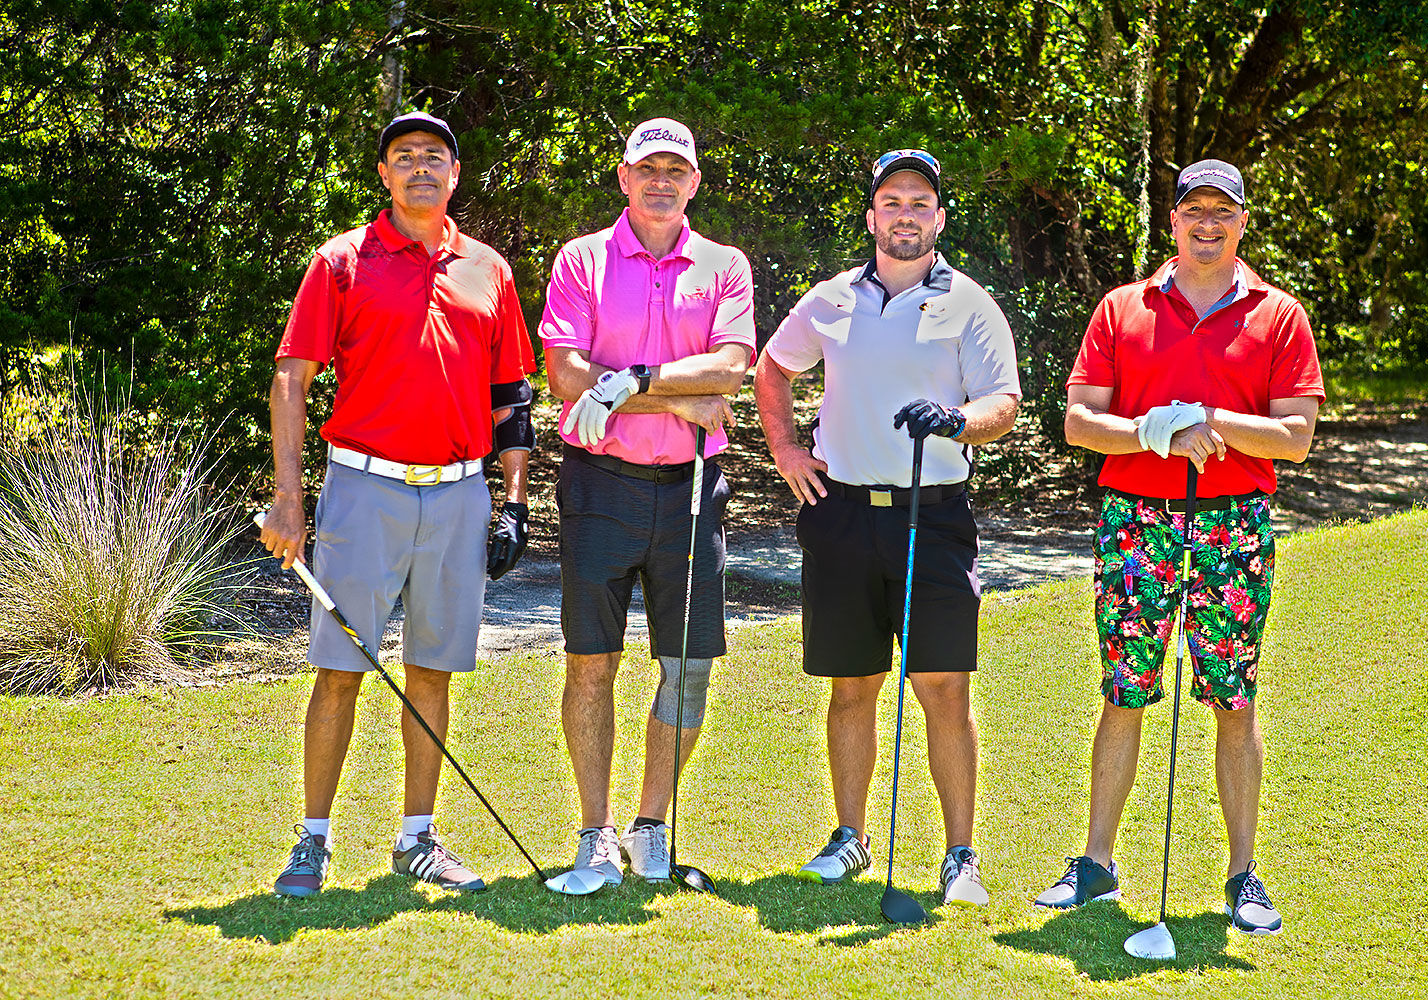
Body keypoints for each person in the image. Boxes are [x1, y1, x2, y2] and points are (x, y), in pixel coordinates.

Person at [1034, 159, 1323, 935]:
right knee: (1124, 689)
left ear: (1243, 222)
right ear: (1173, 221)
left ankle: (1242, 875)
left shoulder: (1279, 315)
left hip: (1233, 522)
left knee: (1233, 697)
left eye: (1222, 212)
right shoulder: (1123, 307)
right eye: (1194, 210)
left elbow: (1295, 437)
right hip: (1137, 518)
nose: (1207, 224)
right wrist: (1155, 430)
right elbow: (1079, 422)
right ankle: (1096, 864)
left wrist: (1209, 420)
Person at [259, 110, 537, 897]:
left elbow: (512, 398)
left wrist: (514, 501)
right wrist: (289, 498)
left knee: (433, 670)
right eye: (404, 156)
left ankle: (418, 838)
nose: (420, 167)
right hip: (363, 488)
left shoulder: (488, 269)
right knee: (340, 669)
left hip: (459, 494)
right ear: (384, 175)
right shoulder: (341, 261)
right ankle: (313, 840)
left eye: (434, 156)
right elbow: (291, 379)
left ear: (455, 174)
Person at [754, 149, 1022, 906]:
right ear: (872, 216)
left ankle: (960, 855)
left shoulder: (970, 304)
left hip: (932, 518)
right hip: (840, 514)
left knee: (943, 687)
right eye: (893, 202)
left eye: (920, 203)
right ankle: (850, 838)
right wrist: (786, 451)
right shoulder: (831, 299)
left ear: (940, 218)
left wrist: (956, 419)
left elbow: (1003, 403)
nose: (907, 214)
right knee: (852, 686)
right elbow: (773, 368)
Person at [538, 117, 755, 884]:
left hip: (693, 488)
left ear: (694, 181)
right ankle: (595, 833)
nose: (661, 181)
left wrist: (630, 382)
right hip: (601, 486)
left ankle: (650, 826)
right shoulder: (583, 260)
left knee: (687, 667)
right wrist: (677, 399)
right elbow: (565, 376)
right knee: (591, 664)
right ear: (624, 178)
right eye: (647, 168)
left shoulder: (724, 266)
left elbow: (730, 369)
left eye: (675, 169)